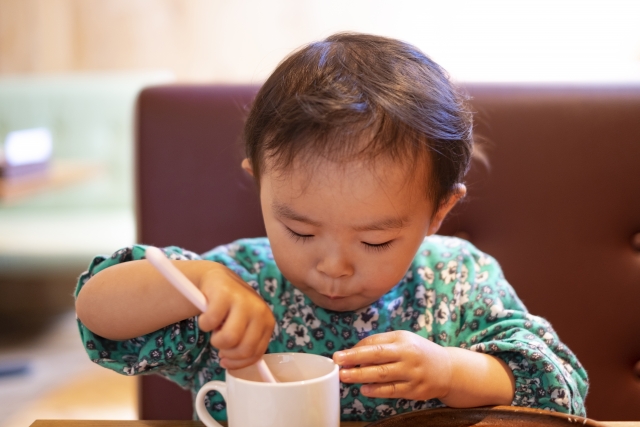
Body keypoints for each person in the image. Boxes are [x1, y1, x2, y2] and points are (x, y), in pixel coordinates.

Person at [74, 33, 588, 422]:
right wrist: (199, 284)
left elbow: (560, 386)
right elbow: (96, 317)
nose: (333, 266)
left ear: (438, 213)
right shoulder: (233, 284)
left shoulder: (457, 280)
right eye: (299, 231)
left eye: (375, 240)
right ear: (260, 187)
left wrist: (451, 370)